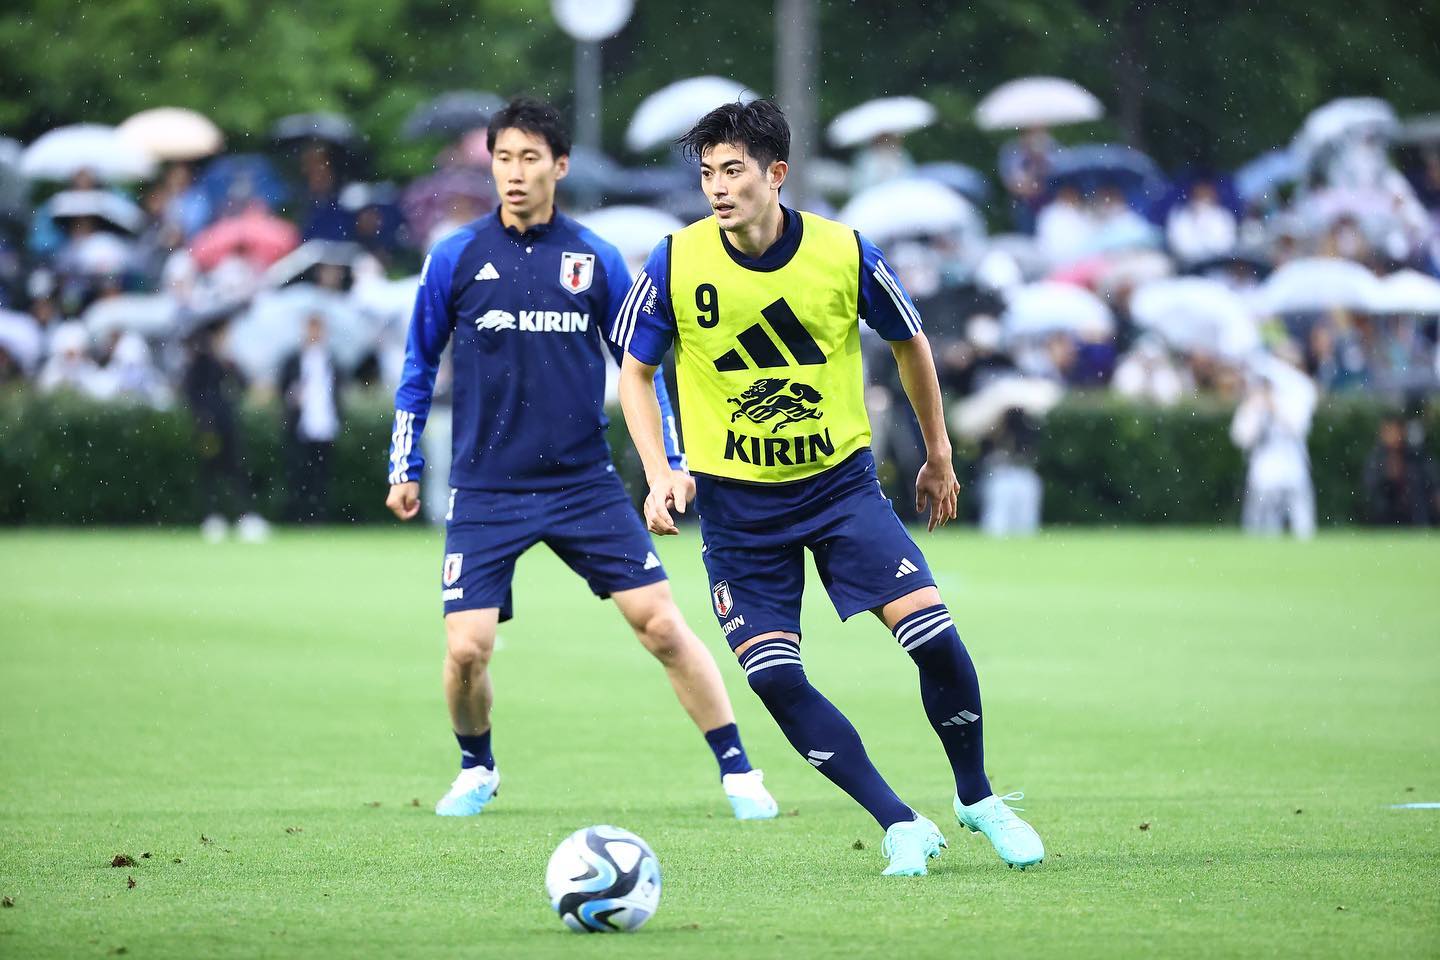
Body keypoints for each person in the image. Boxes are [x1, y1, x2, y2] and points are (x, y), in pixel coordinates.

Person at [612, 99, 1044, 876]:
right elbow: (635, 374)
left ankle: (977, 798)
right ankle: (898, 820)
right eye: (707, 173)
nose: (717, 186)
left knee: (934, 638)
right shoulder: (675, 260)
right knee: (774, 675)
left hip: (842, 491)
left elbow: (911, 343)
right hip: (740, 511)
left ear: (777, 175)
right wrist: (659, 471)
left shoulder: (845, 253)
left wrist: (938, 453)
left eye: (733, 171)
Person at [383, 97, 776, 821]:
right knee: (467, 648)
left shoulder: (592, 258)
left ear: (560, 166)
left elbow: (644, 363)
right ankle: (477, 767)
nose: (515, 173)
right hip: (485, 490)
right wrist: (402, 466)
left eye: (530, 158)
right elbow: (417, 367)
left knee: (660, 625)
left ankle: (739, 770)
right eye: (503, 158)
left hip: (582, 485)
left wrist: (672, 465)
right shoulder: (456, 256)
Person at [278, 313, 342, 522]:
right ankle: (299, 517)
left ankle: (319, 517)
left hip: (325, 424)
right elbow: (283, 389)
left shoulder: (331, 359)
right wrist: (292, 397)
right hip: (300, 425)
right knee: (299, 473)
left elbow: (338, 391)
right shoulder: (294, 359)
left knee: (322, 475)